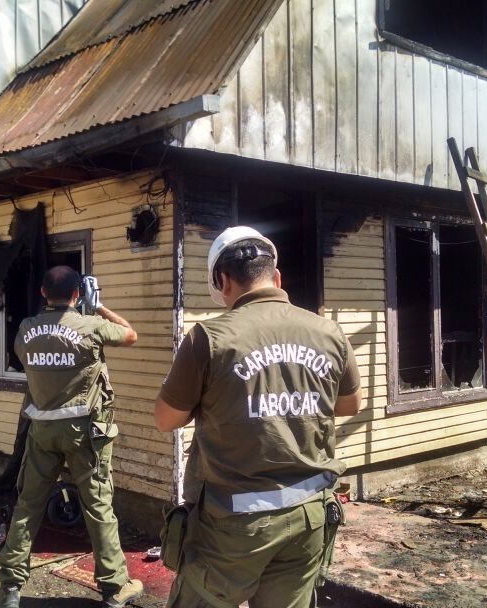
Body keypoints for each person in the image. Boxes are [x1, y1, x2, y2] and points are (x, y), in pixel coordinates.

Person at [154, 226, 362, 608]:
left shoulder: (208, 338)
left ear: (222, 280)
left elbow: (167, 419)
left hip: (233, 526)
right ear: (276, 276)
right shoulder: (329, 331)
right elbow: (349, 404)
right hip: (309, 514)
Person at [0, 265, 144, 608]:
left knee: (28, 505)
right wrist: (98, 306)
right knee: (98, 506)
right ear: (78, 294)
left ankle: (9, 588)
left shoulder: (26, 329)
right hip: (86, 434)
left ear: (43, 293)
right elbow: (131, 334)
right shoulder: (91, 325)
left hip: (42, 429)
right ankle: (114, 588)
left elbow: (27, 361)